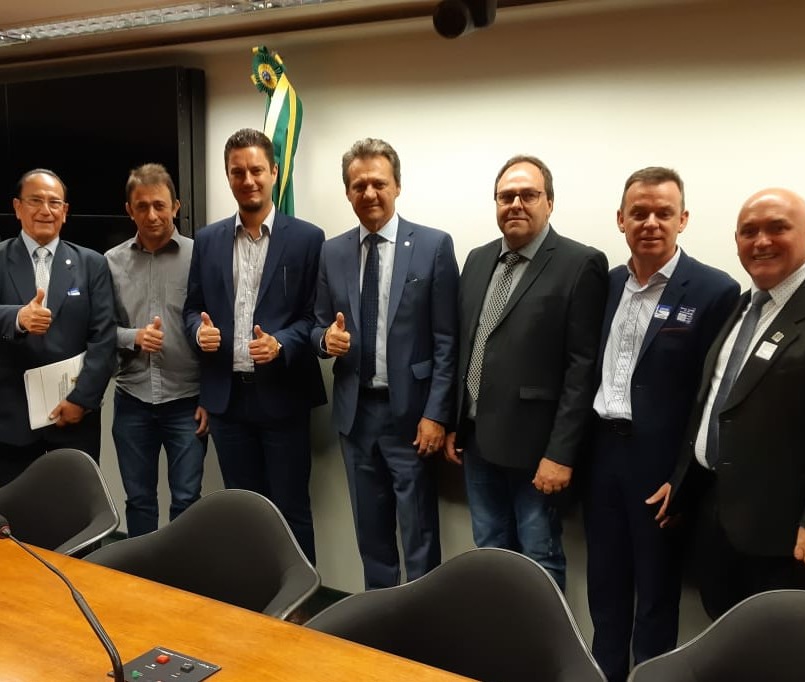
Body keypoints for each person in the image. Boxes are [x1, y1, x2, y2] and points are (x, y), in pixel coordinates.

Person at [650, 188, 805, 620]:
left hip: (791, 537)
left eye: (777, 228)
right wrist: (682, 482)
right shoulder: (744, 304)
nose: (761, 241)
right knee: (724, 635)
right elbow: (714, 402)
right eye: (748, 231)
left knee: (780, 647)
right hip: (718, 520)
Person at [585, 167, 739, 682]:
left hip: (661, 468)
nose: (650, 222)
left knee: (655, 595)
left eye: (663, 213)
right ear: (621, 220)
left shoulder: (715, 290)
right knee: (604, 588)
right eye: (639, 213)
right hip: (602, 456)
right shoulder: (606, 284)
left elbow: (712, 396)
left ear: (683, 219)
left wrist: (684, 478)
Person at [444, 154, 607, 591]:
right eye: (506, 196)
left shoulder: (580, 263)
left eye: (528, 195)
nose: (515, 203)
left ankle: (540, 636)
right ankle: (499, 629)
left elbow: (581, 369)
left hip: (537, 451)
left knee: (540, 558)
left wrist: (561, 454)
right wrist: (455, 421)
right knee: (489, 551)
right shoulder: (478, 259)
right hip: (477, 442)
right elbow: (467, 344)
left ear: (549, 202)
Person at [312, 138, 458, 589]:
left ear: (397, 186)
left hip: (411, 419)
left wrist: (436, 415)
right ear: (347, 192)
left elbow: (446, 341)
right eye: (359, 185)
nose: (369, 193)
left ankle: (422, 621)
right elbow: (316, 326)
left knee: (419, 535)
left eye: (378, 183)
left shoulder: (432, 246)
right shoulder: (332, 251)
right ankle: (380, 616)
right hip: (356, 416)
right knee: (370, 535)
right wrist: (325, 340)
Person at [182, 128, 325, 562]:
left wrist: (282, 342)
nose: (248, 180)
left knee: (291, 512)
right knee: (243, 512)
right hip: (228, 403)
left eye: (257, 170)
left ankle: (299, 597)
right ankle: (252, 594)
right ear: (228, 176)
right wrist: (198, 332)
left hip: (283, 398)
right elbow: (192, 309)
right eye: (238, 172)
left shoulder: (307, 238)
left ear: (274, 172)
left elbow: (314, 317)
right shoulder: (207, 240)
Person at [0, 169, 116, 485]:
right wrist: (18, 317)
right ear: (17, 207)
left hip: (74, 415)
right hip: (13, 415)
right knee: (16, 507)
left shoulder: (92, 263)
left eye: (54, 202)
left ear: (65, 211)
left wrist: (82, 400)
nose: (45, 210)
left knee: (77, 503)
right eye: (35, 201)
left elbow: (103, 337)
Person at [106, 163, 206, 537]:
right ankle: (142, 570)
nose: (152, 215)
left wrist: (210, 396)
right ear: (129, 210)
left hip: (187, 401)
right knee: (139, 500)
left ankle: (181, 571)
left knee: (187, 501)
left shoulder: (200, 257)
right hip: (132, 400)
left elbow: (215, 328)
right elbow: (99, 330)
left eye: (160, 205)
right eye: (142, 206)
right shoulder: (111, 263)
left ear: (175, 206)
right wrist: (133, 337)